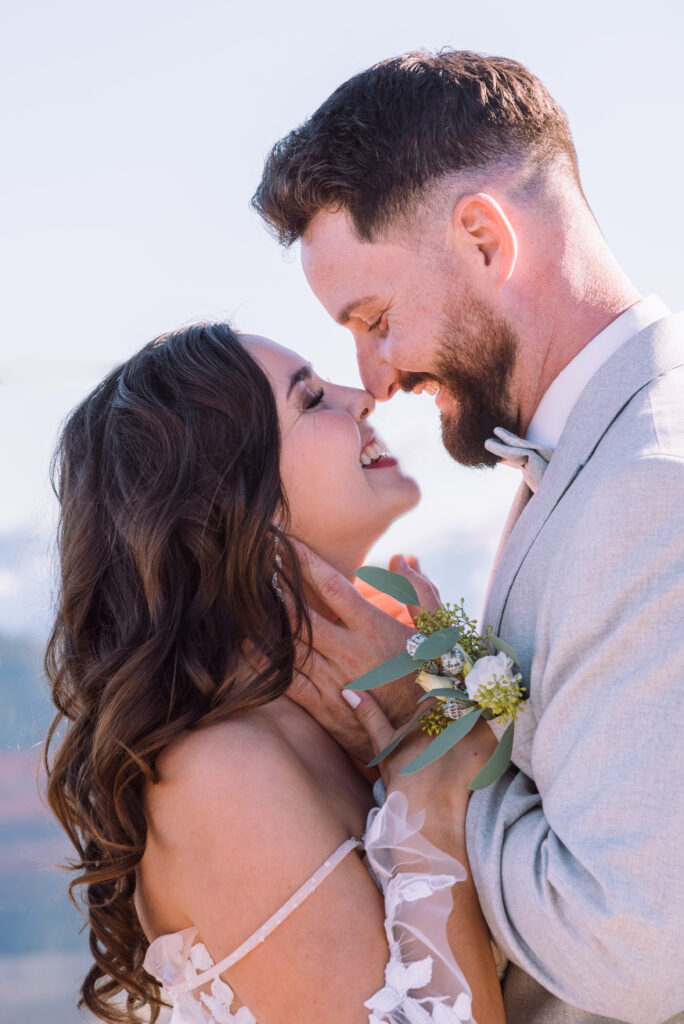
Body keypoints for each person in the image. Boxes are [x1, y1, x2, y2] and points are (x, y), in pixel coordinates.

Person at [252, 49, 684, 1023]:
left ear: (485, 239)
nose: (377, 377)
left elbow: (636, 952)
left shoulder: (648, 487)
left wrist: (432, 740)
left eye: (376, 318)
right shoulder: (585, 454)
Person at [44, 321, 506, 1024]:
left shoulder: (330, 713)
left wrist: (436, 697)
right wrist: (429, 763)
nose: (363, 396)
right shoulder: (221, 772)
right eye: (313, 398)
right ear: (230, 499)